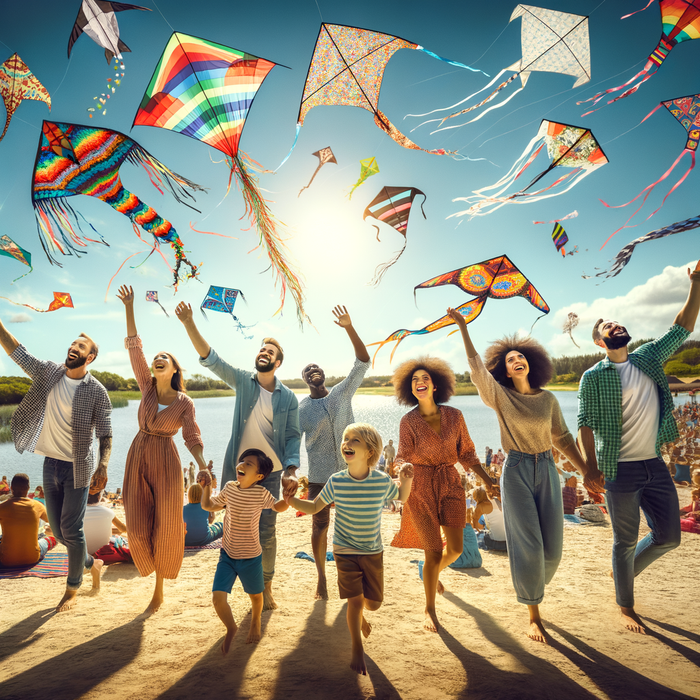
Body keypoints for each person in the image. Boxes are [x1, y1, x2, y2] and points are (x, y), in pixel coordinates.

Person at [448, 307, 601, 643]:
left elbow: (561, 438)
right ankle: (533, 612)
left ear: (532, 362)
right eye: (509, 359)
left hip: (547, 468)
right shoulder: (499, 396)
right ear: (504, 369)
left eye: (520, 356)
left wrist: (587, 472)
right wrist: (462, 327)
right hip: (516, 470)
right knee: (528, 543)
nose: (516, 360)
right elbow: (476, 371)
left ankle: (532, 584)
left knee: (553, 549)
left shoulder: (548, 400)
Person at [577, 262, 700, 635]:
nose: (613, 326)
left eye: (615, 322)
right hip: (618, 470)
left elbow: (682, 326)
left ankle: (621, 572)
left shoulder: (648, 357)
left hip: (655, 464)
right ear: (600, 342)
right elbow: (584, 425)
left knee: (670, 536)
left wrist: (695, 283)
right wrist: (589, 469)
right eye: (605, 327)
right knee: (624, 539)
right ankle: (625, 604)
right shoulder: (593, 377)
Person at [175, 301, 301, 611]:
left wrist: (291, 469)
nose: (264, 353)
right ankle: (230, 582)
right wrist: (189, 322)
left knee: (267, 530)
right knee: (232, 526)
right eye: (261, 349)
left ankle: (265, 585)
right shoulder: (244, 381)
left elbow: (293, 436)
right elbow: (211, 359)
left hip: (271, 475)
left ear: (278, 362)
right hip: (239, 469)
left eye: (270, 352)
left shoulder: (289, 398)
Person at [0, 316, 112, 612]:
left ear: (90, 357)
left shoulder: (97, 391)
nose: (73, 347)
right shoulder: (50, 372)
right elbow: (17, 351)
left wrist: (103, 465)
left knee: (72, 531)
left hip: (79, 466)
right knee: (60, 533)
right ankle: (91, 563)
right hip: (50, 464)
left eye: (81, 345)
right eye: (73, 343)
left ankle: (72, 589)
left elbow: (105, 432)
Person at [287, 423, 413, 676]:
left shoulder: (380, 481)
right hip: (344, 549)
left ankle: (360, 616)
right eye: (346, 439)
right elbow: (313, 508)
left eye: (355, 440)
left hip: (372, 551)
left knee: (373, 604)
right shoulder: (336, 481)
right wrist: (291, 500)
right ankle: (357, 647)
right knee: (354, 601)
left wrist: (407, 478)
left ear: (370, 451)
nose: (347, 443)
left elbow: (401, 497)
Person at [118, 286, 209, 615]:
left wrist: (200, 463)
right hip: (139, 452)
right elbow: (134, 348)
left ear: (174, 369)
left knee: (168, 524)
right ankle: (148, 568)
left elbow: (192, 435)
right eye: (156, 359)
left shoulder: (184, 402)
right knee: (137, 523)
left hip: (168, 460)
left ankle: (158, 590)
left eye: (164, 359)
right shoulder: (146, 387)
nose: (157, 360)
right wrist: (130, 306)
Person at [390, 355, 496, 633]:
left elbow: (467, 453)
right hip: (420, 486)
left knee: (457, 549)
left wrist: (486, 480)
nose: (420, 382)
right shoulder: (408, 421)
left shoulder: (455, 416)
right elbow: (401, 455)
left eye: (425, 378)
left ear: (435, 385)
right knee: (433, 552)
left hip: (450, 482)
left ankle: (431, 573)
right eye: (414, 380)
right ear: (410, 389)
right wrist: (402, 468)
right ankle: (429, 608)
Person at [298, 305, 370, 600]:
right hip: (319, 477)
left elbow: (363, 362)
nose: (313, 371)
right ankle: (321, 578)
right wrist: (289, 470)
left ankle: (355, 576)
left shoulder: (342, 393)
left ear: (324, 375)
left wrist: (349, 327)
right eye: (307, 370)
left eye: (317, 368)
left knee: (357, 527)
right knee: (319, 527)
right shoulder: (301, 409)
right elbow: (289, 440)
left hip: (352, 473)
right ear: (304, 379)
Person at [198, 449, 289, 653]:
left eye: (249, 464)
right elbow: (208, 506)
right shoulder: (230, 488)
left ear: (259, 476)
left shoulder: (260, 493)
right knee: (217, 598)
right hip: (227, 556)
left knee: (257, 597)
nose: (242, 465)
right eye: (242, 461)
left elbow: (277, 506)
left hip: (251, 558)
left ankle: (255, 621)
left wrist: (289, 498)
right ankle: (231, 628)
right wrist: (206, 489)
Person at [0, 474, 57, 567]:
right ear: (28, 488)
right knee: (50, 539)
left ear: (11, 488)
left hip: (7, 559)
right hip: (32, 557)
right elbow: (53, 521)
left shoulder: (2, 507)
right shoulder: (37, 505)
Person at [84, 488, 127, 556]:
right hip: (104, 552)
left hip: (82, 551)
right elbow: (123, 529)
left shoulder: (78, 513)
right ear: (100, 496)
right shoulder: (108, 512)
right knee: (120, 539)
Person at [470, 486, 507, 551]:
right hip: (508, 543)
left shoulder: (481, 506)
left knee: (478, 533)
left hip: (495, 543)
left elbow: (477, 527)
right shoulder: (498, 501)